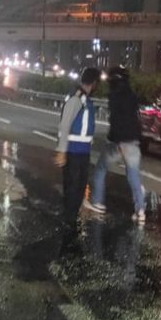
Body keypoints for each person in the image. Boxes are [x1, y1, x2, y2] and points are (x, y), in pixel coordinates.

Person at [86, 66, 146, 221]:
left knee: (100, 168)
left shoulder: (115, 96)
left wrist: (115, 139)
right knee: (133, 175)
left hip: (119, 140)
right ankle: (140, 210)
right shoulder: (131, 95)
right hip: (133, 140)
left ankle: (97, 201)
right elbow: (135, 118)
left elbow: (116, 120)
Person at [54, 67, 101, 222]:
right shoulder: (76, 99)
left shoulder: (86, 101)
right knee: (72, 189)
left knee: (79, 189)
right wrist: (61, 151)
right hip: (73, 152)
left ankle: (71, 219)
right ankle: (68, 222)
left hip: (83, 153)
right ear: (94, 83)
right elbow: (65, 125)